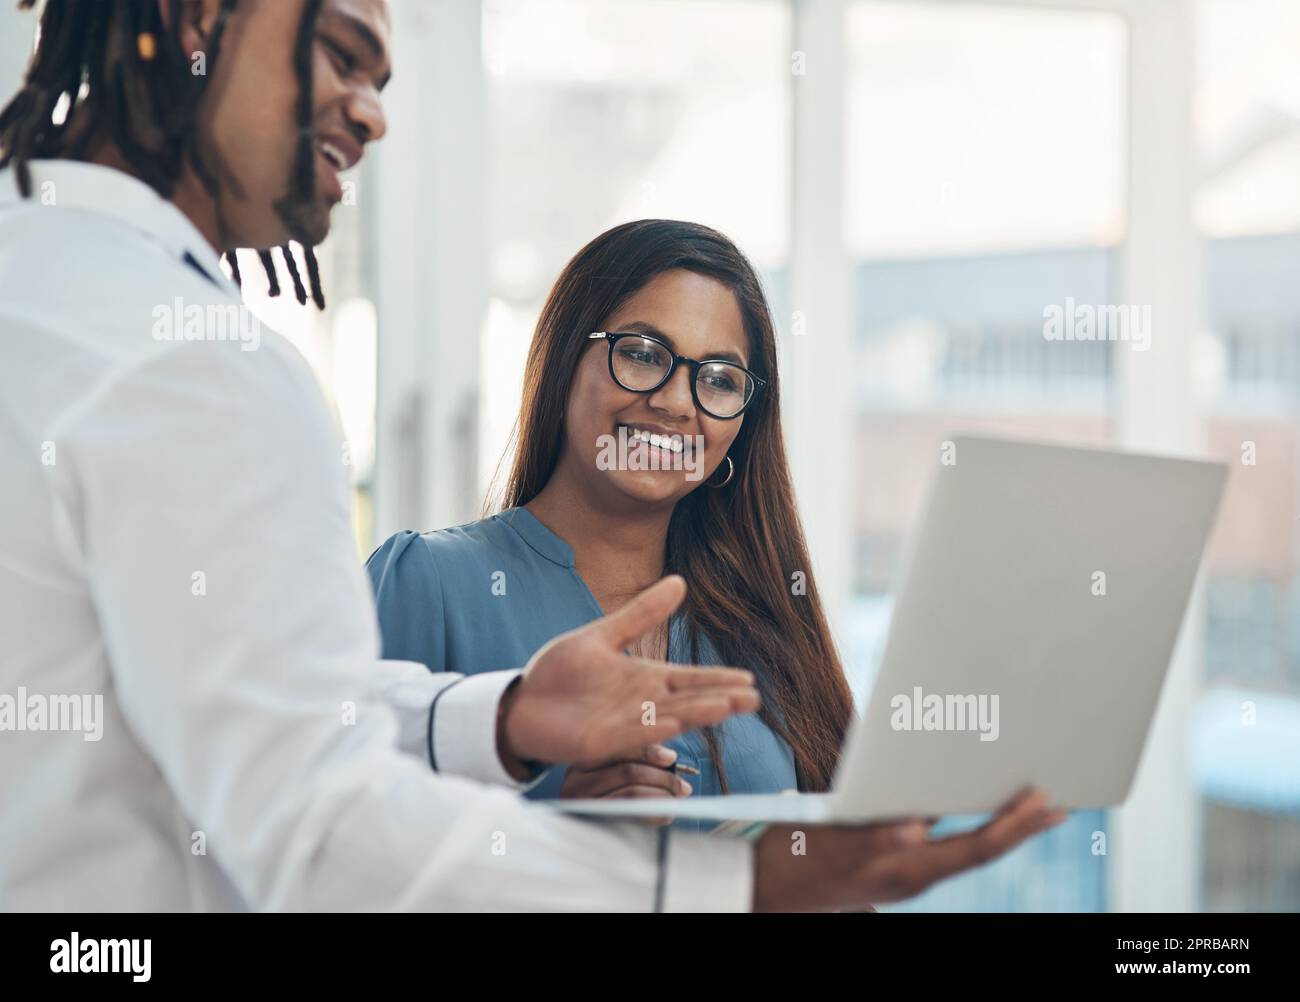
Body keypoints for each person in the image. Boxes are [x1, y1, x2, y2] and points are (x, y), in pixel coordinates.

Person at [0, 0, 1065, 912]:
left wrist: (499, 720)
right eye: (337, 50)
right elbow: (316, 821)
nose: (371, 113)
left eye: (720, 378)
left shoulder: (53, 290)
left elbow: (264, 710)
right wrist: (715, 884)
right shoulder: (198, 366)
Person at [369, 220, 853, 830]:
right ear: (566, 357)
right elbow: (343, 858)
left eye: (720, 379)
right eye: (644, 354)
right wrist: (559, 831)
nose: (678, 403)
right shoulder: (428, 582)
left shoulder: (764, 617)